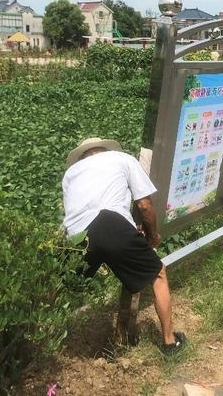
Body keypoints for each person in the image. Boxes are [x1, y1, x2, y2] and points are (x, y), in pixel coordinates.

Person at [62, 137, 185, 354]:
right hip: (110, 224)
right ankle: (169, 342)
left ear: (82, 156)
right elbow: (144, 205)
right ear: (104, 149)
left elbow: (76, 212)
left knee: (65, 287)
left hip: (76, 235)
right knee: (158, 274)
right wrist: (153, 235)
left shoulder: (70, 174)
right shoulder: (121, 158)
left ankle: (49, 342)